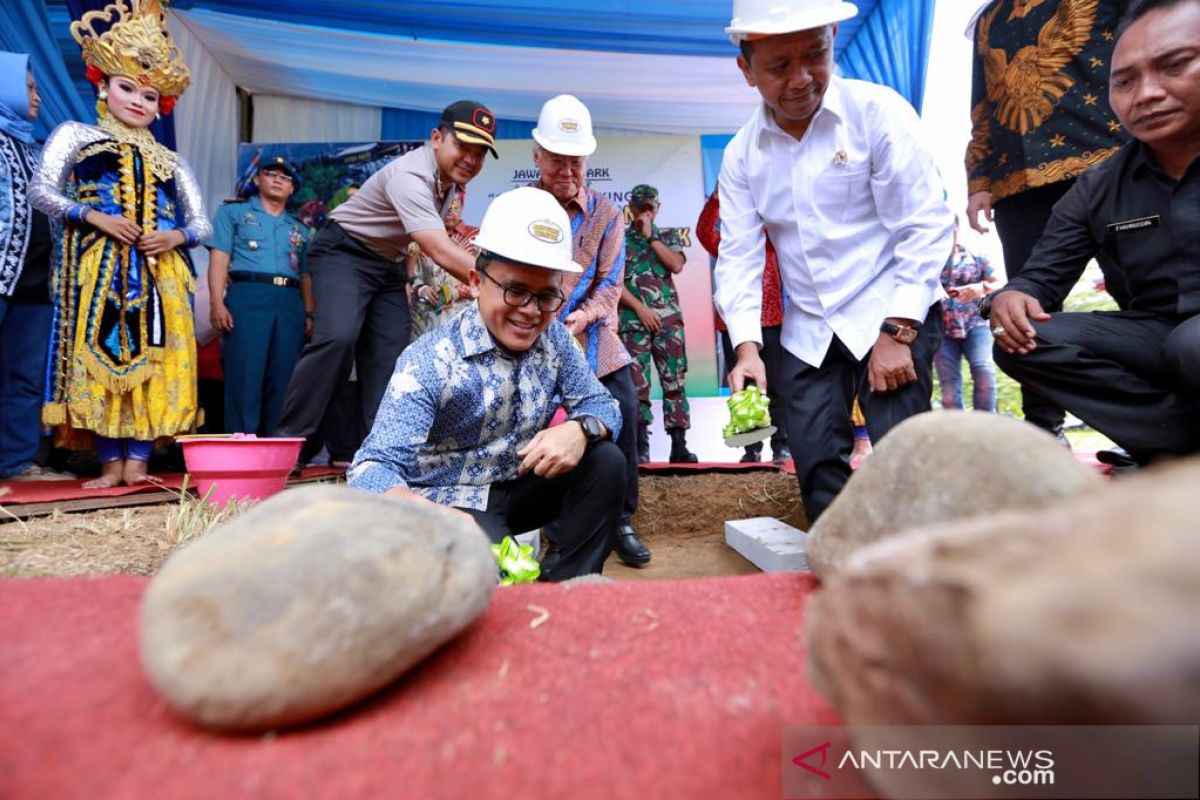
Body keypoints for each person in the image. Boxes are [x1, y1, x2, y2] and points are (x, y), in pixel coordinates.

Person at [716, 0, 954, 522]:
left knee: (901, 454)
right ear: (746, 69)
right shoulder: (741, 156)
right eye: (779, 67)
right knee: (815, 459)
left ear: (833, 39)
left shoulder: (878, 113)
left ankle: (916, 565)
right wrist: (748, 350)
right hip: (810, 328)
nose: (801, 79)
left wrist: (899, 331)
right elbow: (738, 259)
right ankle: (842, 565)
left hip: (890, 307)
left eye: (816, 55)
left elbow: (924, 226)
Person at [349, 187, 624, 581]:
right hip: (454, 502)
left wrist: (580, 429)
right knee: (489, 588)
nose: (530, 312)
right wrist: (436, 517)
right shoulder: (430, 360)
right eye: (515, 291)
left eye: (546, 296)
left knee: (605, 460)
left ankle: (569, 588)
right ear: (477, 281)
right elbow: (370, 469)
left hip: (520, 486)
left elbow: (604, 405)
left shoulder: (556, 340)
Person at [984, 0, 1200, 466]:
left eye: (1175, 65)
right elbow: (1040, 277)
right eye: (1124, 81)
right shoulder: (1098, 186)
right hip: (1160, 334)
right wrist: (1012, 296)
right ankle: (1178, 444)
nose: (1146, 93)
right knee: (1026, 340)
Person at [29, 0, 210, 488]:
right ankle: (111, 463)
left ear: (161, 105)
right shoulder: (76, 135)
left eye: (149, 95)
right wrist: (93, 216)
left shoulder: (172, 160)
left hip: (160, 275)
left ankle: (140, 463)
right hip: (99, 268)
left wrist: (175, 235)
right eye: (127, 88)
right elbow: (40, 191)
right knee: (101, 362)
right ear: (103, 86)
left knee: (158, 362)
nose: (138, 101)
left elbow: (202, 225)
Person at [276, 100, 498, 469]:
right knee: (338, 338)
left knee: (391, 358)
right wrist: (498, 284)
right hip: (344, 251)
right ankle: (291, 445)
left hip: (387, 266)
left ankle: (379, 456)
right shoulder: (410, 177)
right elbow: (439, 249)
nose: (470, 160)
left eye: (480, 154)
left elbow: (411, 242)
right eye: (463, 147)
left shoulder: (449, 184)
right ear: (437, 138)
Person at [965, 0, 1128, 440]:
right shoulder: (987, 18)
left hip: (1112, 158)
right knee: (1026, 310)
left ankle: (1164, 430)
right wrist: (979, 177)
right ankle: (1042, 430)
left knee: (1141, 294)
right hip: (1017, 181)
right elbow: (982, 105)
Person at [531, 94, 650, 566]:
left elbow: (610, 285)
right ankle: (558, 532)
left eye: (575, 161)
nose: (566, 170)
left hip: (595, 338)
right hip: (534, 342)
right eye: (557, 159)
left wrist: (580, 320)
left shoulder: (606, 214)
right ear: (537, 156)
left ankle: (622, 519)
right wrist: (549, 328)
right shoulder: (521, 208)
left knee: (624, 412)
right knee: (547, 430)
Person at [207, 156, 312, 436]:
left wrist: (310, 313)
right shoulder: (234, 214)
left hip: (290, 302)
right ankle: (242, 444)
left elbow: (305, 274)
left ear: (292, 189)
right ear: (257, 180)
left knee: (283, 377)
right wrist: (217, 303)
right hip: (248, 295)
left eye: (285, 177)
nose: (278, 179)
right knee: (245, 372)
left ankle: (276, 446)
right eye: (270, 173)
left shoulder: (299, 228)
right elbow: (220, 258)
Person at [1, 55, 68, 482]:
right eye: (28, 87)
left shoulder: (35, 148)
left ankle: (15, 462)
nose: (37, 95)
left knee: (23, 378)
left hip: (36, 284)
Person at [696, 185, 791, 464]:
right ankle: (752, 447)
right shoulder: (727, 243)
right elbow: (703, 231)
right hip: (734, 326)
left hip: (772, 321)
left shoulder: (773, 242)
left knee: (775, 385)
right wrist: (717, 197)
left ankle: (781, 444)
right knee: (746, 387)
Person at [618, 184, 698, 464]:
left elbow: (675, 265)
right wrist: (640, 309)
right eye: (640, 207)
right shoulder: (619, 240)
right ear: (631, 207)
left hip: (668, 325)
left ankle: (679, 444)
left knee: (674, 381)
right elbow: (613, 283)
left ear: (657, 208)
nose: (644, 212)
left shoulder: (668, 236)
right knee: (636, 385)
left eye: (649, 207)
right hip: (633, 322)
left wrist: (651, 236)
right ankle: (641, 445)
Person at [936, 217, 1000, 412]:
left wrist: (980, 287)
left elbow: (998, 284)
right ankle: (957, 436)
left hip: (976, 325)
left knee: (984, 372)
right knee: (948, 390)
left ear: (956, 227)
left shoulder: (975, 255)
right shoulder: (929, 259)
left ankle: (986, 428)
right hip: (941, 329)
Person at [407, 193, 478, 337]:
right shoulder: (421, 236)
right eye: (447, 206)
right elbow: (409, 275)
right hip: (426, 318)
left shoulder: (476, 237)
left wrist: (456, 292)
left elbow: (486, 280)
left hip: (463, 318)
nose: (451, 211)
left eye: (455, 206)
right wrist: (421, 289)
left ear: (462, 207)